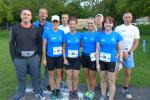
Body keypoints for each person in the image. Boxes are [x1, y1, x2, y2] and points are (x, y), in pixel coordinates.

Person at [9, 9, 45, 100]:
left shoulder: (35, 29)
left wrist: (39, 56)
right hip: (19, 59)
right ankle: (21, 95)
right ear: (21, 15)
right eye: (24, 14)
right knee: (21, 78)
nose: (26, 16)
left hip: (34, 58)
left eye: (28, 15)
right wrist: (14, 58)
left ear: (31, 17)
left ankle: (38, 92)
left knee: (36, 76)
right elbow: (11, 44)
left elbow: (40, 43)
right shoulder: (15, 28)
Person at [96, 16, 123, 100]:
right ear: (104, 24)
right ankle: (103, 95)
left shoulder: (117, 35)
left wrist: (121, 62)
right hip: (102, 61)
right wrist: (97, 63)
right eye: (106, 23)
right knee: (103, 80)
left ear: (113, 24)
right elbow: (97, 49)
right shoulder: (100, 35)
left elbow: (120, 49)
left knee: (111, 81)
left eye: (110, 22)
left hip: (112, 61)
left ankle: (110, 98)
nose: (108, 24)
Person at [115, 11, 140, 99]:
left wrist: (128, 52)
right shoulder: (118, 28)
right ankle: (112, 89)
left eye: (129, 17)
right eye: (126, 17)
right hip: (118, 54)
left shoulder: (135, 29)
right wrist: (119, 52)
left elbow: (136, 42)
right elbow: (115, 41)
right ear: (123, 18)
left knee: (127, 73)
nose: (127, 19)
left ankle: (125, 89)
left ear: (131, 18)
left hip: (129, 54)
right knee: (115, 73)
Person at [42, 15, 64, 99]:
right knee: (51, 75)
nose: (55, 23)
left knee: (59, 74)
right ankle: (53, 91)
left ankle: (57, 90)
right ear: (51, 22)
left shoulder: (61, 32)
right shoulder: (47, 32)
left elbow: (63, 45)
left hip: (59, 57)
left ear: (59, 22)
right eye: (54, 22)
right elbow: (44, 46)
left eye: (57, 22)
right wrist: (44, 58)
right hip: (50, 57)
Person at [62, 16, 82, 99]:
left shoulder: (80, 35)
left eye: (74, 24)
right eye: (71, 24)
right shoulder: (66, 35)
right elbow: (63, 48)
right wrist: (64, 59)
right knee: (69, 77)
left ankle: (75, 91)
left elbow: (82, 45)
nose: (72, 26)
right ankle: (70, 91)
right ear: (69, 25)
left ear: (76, 25)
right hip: (68, 59)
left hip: (77, 59)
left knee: (76, 76)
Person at [33, 8, 52, 91]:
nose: (43, 14)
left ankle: (47, 83)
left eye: (45, 13)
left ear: (47, 15)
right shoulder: (34, 24)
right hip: (36, 50)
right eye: (41, 12)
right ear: (39, 14)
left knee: (47, 68)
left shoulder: (51, 25)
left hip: (48, 50)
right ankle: (36, 84)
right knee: (36, 68)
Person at [81, 17, 97, 100]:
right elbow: (80, 44)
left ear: (94, 24)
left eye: (91, 23)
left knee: (92, 76)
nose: (90, 24)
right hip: (84, 56)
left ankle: (92, 91)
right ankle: (88, 90)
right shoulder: (83, 34)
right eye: (88, 23)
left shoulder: (97, 34)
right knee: (86, 75)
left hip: (93, 57)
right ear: (86, 25)